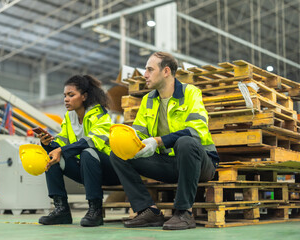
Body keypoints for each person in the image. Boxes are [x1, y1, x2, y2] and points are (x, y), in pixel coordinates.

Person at [109, 52, 219, 230]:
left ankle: (184, 212)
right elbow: (138, 134)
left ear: (166, 71)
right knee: (118, 154)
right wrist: (123, 140)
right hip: (169, 164)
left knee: (185, 142)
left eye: (150, 69)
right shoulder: (149, 100)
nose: (145, 74)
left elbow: (196, 132)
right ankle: (148, 210)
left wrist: (158, 141)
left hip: (200, 163)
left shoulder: (190, 93)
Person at [38, 75, 120, 227]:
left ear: (84, 96)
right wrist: (48, 144)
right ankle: (61, 210)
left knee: (87, 152)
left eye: (71, 95)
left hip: (110, 170)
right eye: (65, 96)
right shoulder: (70, 117)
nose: (66, 99)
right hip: (87, 170)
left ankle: (94, 210)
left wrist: (62, 149)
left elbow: (93, 141)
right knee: (51, 158)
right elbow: (61, 141)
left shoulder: (100, 114)